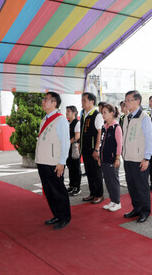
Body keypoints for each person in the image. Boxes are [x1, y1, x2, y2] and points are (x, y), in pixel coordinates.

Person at [33, 92, 71, 230]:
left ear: (54, 103)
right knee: (49, 191)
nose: (43, 102)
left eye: (46, 99)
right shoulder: (45, 119)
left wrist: (62, 162)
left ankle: (64, 217)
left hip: (54, 163)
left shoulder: (60, 119)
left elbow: (65, 142)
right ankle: (56, 214)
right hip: (43, 161)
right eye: (43, 99)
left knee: (58, 191)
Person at [122, 90, 152, 223]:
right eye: (126, 100)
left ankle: (144, 211)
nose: (126, 102)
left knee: (141, 187)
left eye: (129, 100)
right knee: (132, 186)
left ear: (137, 101)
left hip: (139, 159)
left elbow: (149, 140)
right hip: (128, 158)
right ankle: (136, 209)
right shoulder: (126, 117)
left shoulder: (144, 118)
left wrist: (147, 158)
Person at [80, 92, 104, 204]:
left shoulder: (97, 114)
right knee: (89, 172)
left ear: (92, 101)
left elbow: (99, 133)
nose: (82, 102)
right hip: (85, 149)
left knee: (96, 172)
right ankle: (92, 193)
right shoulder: (85, 114)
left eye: (85, 100)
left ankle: (99, 194)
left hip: (93, 149)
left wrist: (96, 149)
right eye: (82, 100)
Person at [99, 104, 123, 212]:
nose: (103, 115)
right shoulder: (104, 127)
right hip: (104, 158)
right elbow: (101, 143)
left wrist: (117, 158)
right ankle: (112, 200)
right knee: (108, 181)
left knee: (113, 181)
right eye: (102, 112)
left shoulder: (116, 127)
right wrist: (100, 157)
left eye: (105, 112)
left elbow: (119, 144)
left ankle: (117, 202)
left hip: (112, 159)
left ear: (111, 113)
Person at [66, 105, 81, 196]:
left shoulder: (77, 123)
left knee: (76, 168)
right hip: (68, 148)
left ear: (74, 113)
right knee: (70, 167)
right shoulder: (67, 122)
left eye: (69, 111)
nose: (67, 113)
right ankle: (71, 186)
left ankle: (77, 187)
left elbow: (77, 136)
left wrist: (67, 143)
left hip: (74, 148)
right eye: (67, 111)